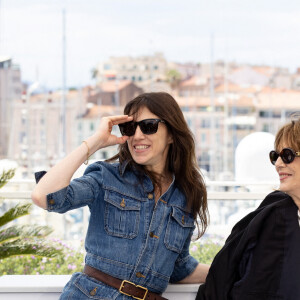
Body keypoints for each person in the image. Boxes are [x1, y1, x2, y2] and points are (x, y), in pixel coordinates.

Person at [32, 92, 210, 300]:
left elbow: (179, 267)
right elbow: (45, 196)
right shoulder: (106, 177)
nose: (137, 136)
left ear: (171, 134)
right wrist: (95, 142)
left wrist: (236, 268)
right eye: (130, 128)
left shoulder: (186, 195)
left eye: (149, 126)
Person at [196, 115, 300, 300]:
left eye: (288, 155)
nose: (278, 164)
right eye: (275, 156)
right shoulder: (270, 217)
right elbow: (224, 276)